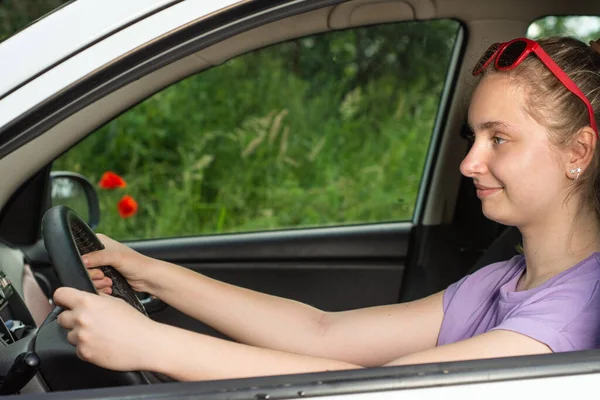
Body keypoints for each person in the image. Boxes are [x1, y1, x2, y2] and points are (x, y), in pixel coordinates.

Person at [53, 36, 600, 381]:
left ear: (577, 153)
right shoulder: (507, 279)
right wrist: (145, 269)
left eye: (498, 139)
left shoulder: (568, 320)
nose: (468, 162)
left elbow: (368, 394)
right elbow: (322, 334)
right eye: (471, 136)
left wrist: (150, 343)